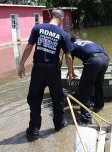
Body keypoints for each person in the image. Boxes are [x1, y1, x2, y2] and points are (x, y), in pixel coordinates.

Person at [17, 8, 74, 141]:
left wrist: (21, 64)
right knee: (57, 99)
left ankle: (34, 130)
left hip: (38, 70)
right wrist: (70, 71)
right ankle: (59, 125)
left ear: (50, 15)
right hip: (53, 71)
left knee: (35, 99)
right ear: (61, 19)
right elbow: (68, 56)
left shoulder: (38, 28)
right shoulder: (63, 34)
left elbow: (29, 46)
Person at [70, 35, 109, 124]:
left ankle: (85, 118)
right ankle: (99, 105)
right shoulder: (88, 41)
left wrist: (71, 72)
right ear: (79, 39)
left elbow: (70, 59)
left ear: (72, 41)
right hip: (105, 59)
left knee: (84, 88)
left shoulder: (72, 45)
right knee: (98, 84)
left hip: (94, 60)